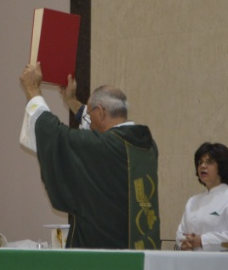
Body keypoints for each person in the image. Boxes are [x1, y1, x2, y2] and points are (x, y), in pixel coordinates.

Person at [18, 63, 160, 249]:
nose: (89, 122)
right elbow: (97, 125)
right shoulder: (145, 146)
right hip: (139, 253)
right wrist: (71, 101)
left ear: (100, 112)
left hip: (105, 257)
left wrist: (32, 90)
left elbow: (53, 134)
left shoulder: (105, 147)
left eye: (92, 113)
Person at [175, 142, 228, 251]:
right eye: (200, 162)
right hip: (191, 261)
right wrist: (184, 242)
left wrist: (203, 240)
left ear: (222, 166)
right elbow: (180, 233)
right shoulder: (193, 201)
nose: (202, 166)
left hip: (221, 263)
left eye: (209, 162)